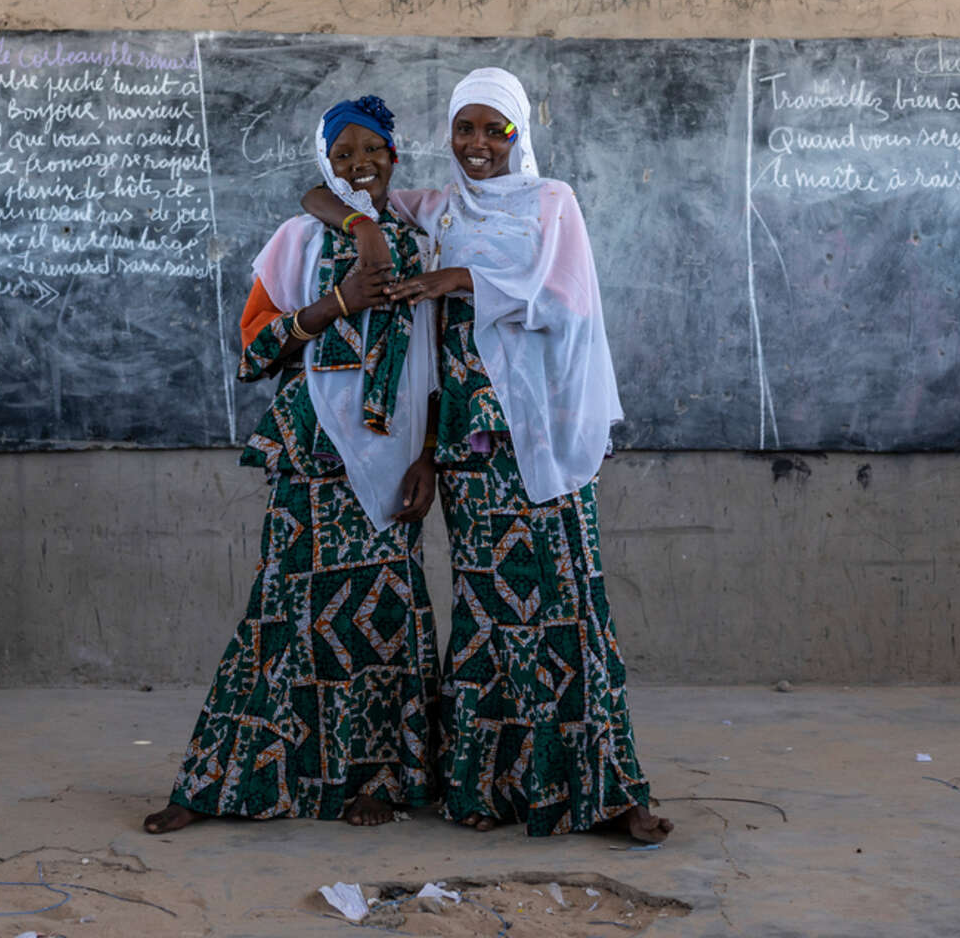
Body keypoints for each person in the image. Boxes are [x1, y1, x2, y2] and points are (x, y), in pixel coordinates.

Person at [302, 67, 673, 841]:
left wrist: (457, 278)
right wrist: (365, 230)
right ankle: (491, 786)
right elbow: (324, 195)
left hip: (536, 446)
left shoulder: (551, 203)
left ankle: (610, 792)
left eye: (493, 129)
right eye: (463, 130)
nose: (477, 145)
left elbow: (563, 300)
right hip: (468, 454)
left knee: (568, 610)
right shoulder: (435, 210)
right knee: (490, 616)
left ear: (517, 134)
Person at [144, 95, 440, 834]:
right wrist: (333, 303)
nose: (358, 164)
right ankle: (223, 780)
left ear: (393, 158)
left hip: (392, 459)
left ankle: (374, 778)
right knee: (282, 613)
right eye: (342, 155)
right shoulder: (297, 240)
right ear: (325, 164)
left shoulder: (423, 240)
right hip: (309, 456)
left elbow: (439, 363)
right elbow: (253, 351)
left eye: (371, 150)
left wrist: (430, 458)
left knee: (381, 619)